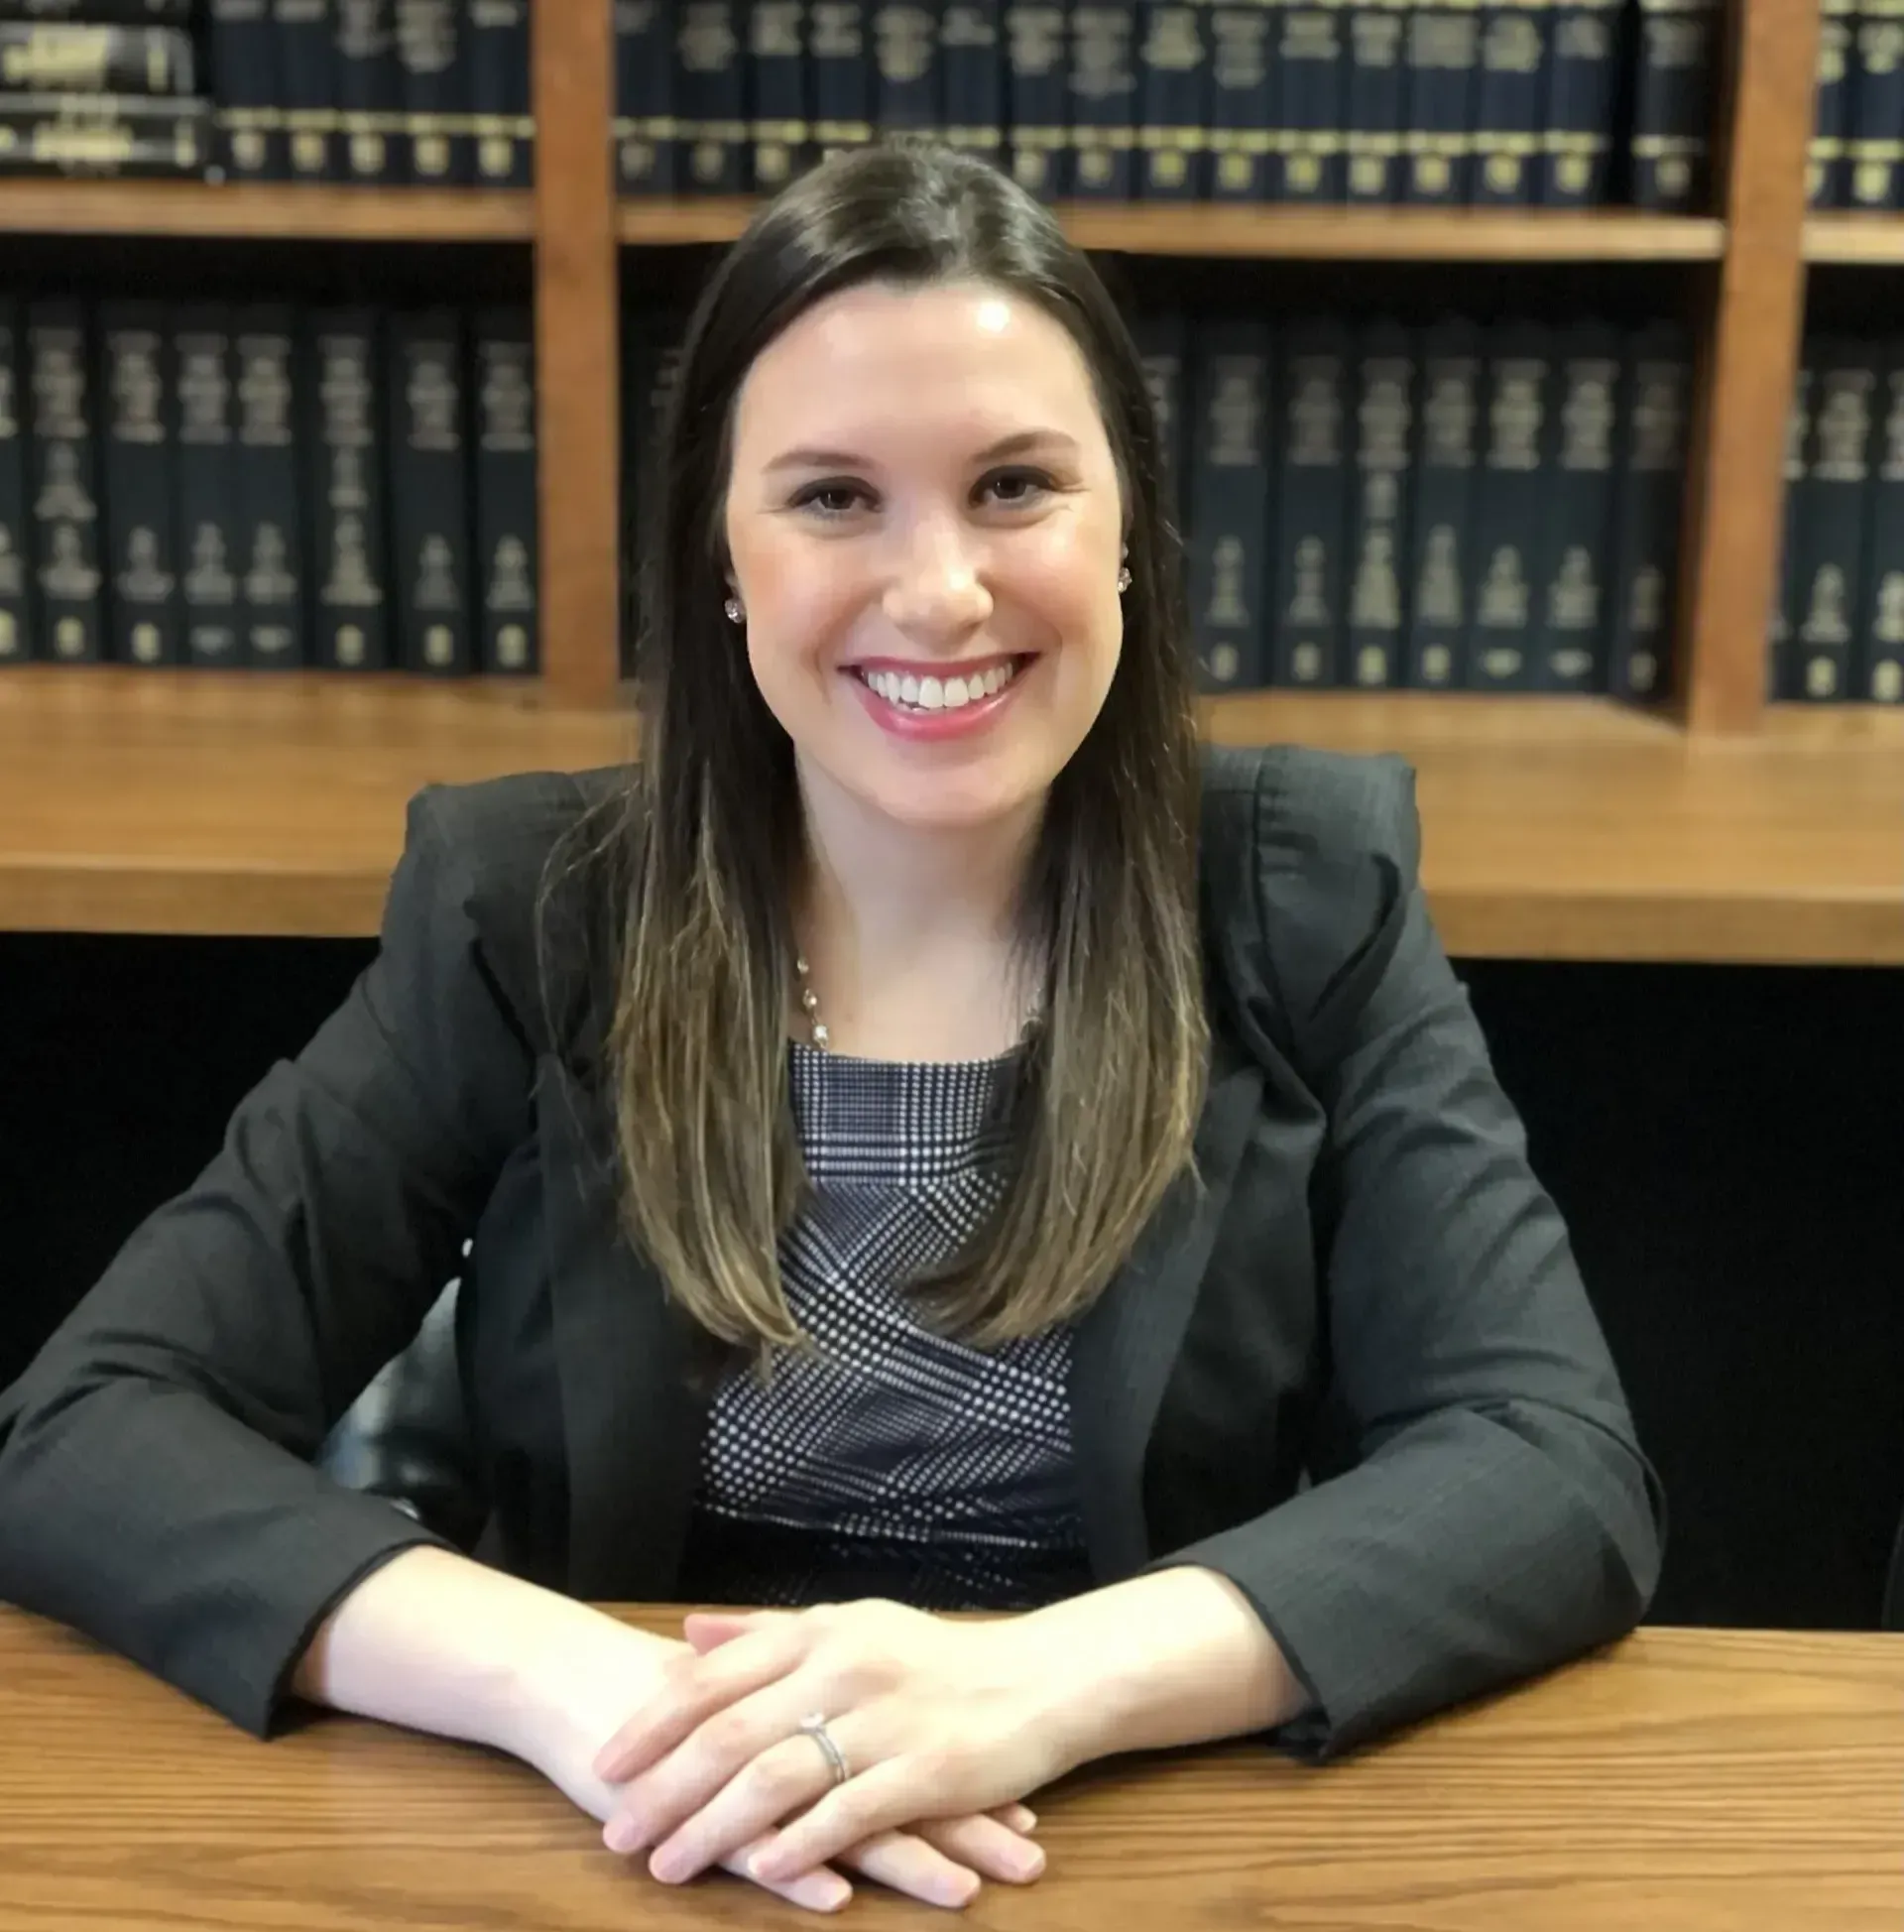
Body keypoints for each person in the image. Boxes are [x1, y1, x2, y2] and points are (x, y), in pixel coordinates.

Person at [0, 142, 1665, 1915]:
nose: (937, 590)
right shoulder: (532, 906)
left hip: (1114, 1844)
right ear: (721, 556)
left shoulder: (1300, 891)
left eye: (1016, 485)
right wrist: (608, 1700)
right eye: (831, 498)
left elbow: (1550, 1468)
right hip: (638, 1849)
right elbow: (89, 1427)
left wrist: (1036, 1687)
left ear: (1130, 539)